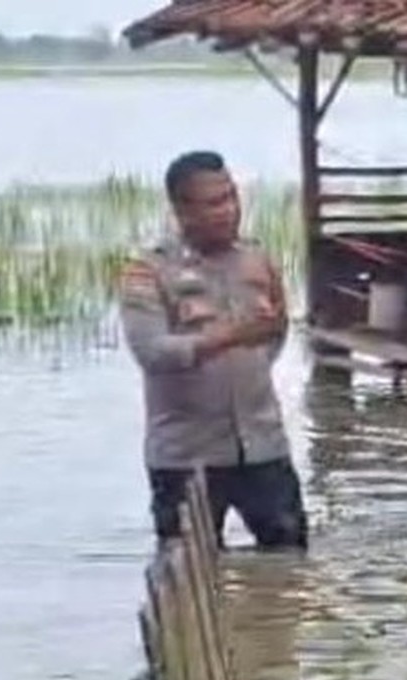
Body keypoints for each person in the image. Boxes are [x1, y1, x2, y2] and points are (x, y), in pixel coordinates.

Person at [119, 150, 308, 551]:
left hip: (262, 445)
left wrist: (246, 358)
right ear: (181, 210)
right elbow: (153, 353)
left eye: (230, 198)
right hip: (186, 456)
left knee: (289, 563)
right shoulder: (149, 271)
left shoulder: (257, 260)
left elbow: (274, 335)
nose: (227, 211)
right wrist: (230, 338)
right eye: (212, 203)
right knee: (184, 567)